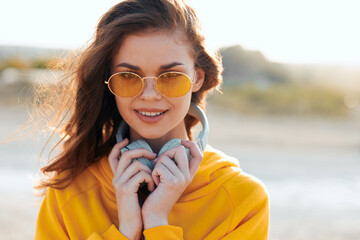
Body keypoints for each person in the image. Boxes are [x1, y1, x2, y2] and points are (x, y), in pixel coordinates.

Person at [35, 0, 269, 239]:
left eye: (170, 75)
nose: (149, 95)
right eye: (128, 75)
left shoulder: (243, 199)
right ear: (109, 81)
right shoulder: (69, 193)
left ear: (197, 78)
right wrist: (126, 230)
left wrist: (157, 221)